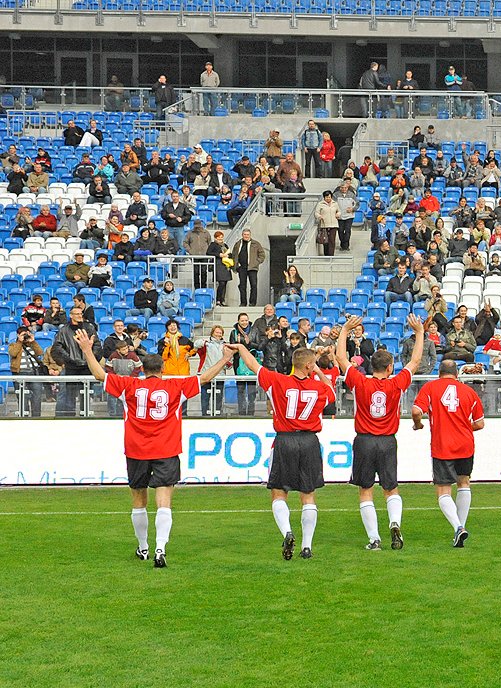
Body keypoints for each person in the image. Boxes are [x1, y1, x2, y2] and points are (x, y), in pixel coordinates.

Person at [74, 328, 234, 568]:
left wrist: (87, 349)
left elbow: (99, 374)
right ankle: (160, 548)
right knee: (164, 500)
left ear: (143, 369)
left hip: (136, 450)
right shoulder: (174, 388)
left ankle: (143, 547)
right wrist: (224, 358)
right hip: (166, 450)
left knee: (139, 500)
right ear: (162, 370)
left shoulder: (129, 386)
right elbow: (204, 378)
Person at [233, 342, 336, 560]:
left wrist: (241, 347)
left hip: (284, 440)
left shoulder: (277, 381)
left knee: (279, 493)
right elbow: (331, 392)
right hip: (309, 441)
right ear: (308, 365)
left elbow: (253, 365)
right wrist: (318, 371)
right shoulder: (317, 388)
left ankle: (287, 532)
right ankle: (307, 546)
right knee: (308, 494)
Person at [338, 315, 425, 550]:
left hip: (364, 440)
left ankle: (374, 539)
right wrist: (419, 332)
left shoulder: (360, 381)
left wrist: (345, 330)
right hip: (387, 441)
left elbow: (341, 358)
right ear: (390, 368)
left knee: (365, 490)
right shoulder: (396, 383)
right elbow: (415, 361)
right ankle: (394, 523)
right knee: (391, 488)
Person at [411, 359, 486, 547]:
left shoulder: (430, 388)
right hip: (465, 444)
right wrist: (463, 426)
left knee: (443, 490)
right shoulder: (469, 392)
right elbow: (480, 423)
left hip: (443, 445)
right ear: (457, 374)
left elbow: (416, 411)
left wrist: (418, 424)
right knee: (464, 483)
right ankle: (460, 527)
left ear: (439, 373)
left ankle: (458, 527)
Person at [231, 229, 266, 307]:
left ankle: (252, 303)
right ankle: (243, 302)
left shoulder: (256, 244)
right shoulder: (238, 244)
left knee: (253, 285)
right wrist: (235, 266)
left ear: (250, 235)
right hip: (241, 268)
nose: (246, 236)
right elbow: (234, 255)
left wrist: (256, 262)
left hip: (252, 268)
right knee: (242, 286)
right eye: (244, 234)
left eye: (247, 234)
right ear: (242, 235)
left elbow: (262, 255)